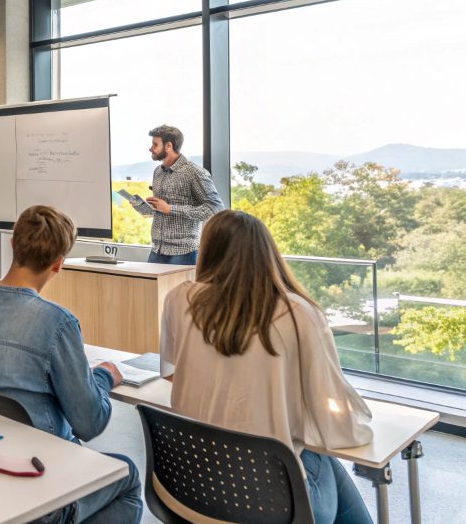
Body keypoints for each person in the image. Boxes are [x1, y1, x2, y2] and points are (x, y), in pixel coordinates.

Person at [160, 210, 373, 524]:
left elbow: (174, 374)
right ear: (267, 253)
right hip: (273, 504)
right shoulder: (298, 313)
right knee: (319, 457)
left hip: (194, 488)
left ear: (207, 251)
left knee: (310, 458)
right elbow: (336, 419)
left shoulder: (179, 299)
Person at [0, 205, 144, 524]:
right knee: (128, 474)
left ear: (13, 244)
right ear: (58, 263)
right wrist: (104, 377)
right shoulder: (57, 323)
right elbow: (89, 423)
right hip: (40, 479)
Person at [127, 124, 223, 265]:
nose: (150, 148)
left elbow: (215, 209)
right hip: (157, 250)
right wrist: (139, 205)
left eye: (155, 144)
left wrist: (170, 209)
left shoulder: (194, 172)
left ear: (168, 146)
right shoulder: (157, 172)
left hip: (184, 253)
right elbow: (158, 211)